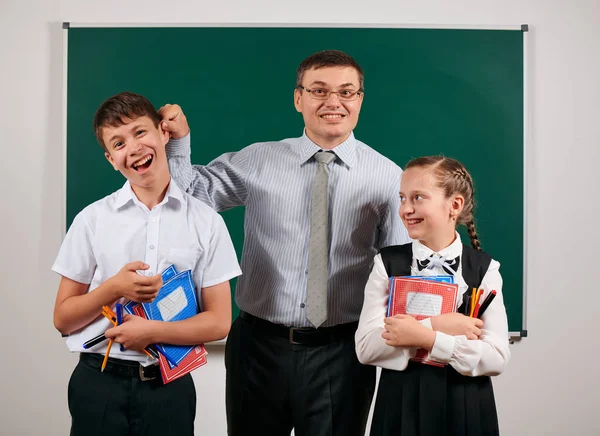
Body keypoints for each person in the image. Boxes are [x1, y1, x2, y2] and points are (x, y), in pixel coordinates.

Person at [160, 50, 410, 436]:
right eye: (319, 90)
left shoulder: (389, 178)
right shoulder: (260, 159)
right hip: (258, 347)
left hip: (342, 352)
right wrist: (178, 143)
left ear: (360, 99)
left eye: (347, 92)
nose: (333, 103)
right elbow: (190, 195)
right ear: (298, 98)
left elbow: (400, 275)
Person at [52, 91, 242, 436]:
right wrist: (113, 288)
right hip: (98, 381)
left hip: (169, 387)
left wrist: (151, 332)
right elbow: (63, 320)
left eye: (140, 132)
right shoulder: (92, 219)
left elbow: (219, 322)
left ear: (163, 134)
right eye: (119, 143)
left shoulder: (206, 221)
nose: (134, 148)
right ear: (111, 159)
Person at [355, 156, 511, 435]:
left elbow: (496, 357)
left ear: (455, 205)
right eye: (402, 198)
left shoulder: (484, 270)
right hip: (399, 404)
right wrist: (435, 328)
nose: (405, 209)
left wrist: (425, 339)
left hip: (466, 405)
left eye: (418, 198)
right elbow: (366, 348)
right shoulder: (386, 264)